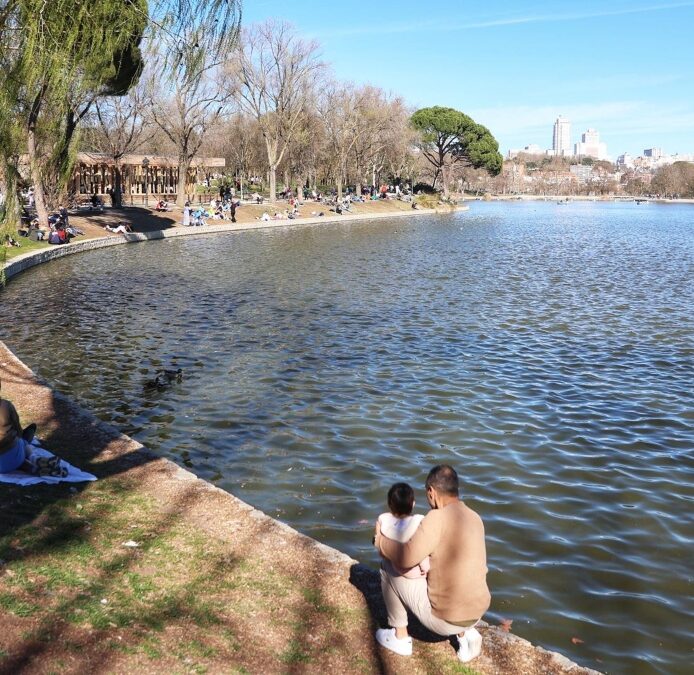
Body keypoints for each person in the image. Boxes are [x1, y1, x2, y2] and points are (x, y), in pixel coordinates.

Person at [374, 465, 490, 663]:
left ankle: (399, 637)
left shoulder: (436, 518)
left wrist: (380, 542)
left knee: (388, 567)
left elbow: (405, 556)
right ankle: (467, 635)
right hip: (478, 610)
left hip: (445, 620)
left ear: (431, 492)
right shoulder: (474, 517)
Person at [377, 483, 430, 579]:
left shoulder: (384, 520)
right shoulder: (419, 521)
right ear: (413, 504)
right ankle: (424, 563)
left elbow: (381, 552)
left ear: (389, 504)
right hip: (416, 573)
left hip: (396, 568)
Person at [0, 381, 34, 474]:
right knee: (22, 440)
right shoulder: (6, 405)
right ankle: (33, 458)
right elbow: (17, 428)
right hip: (13, 459)